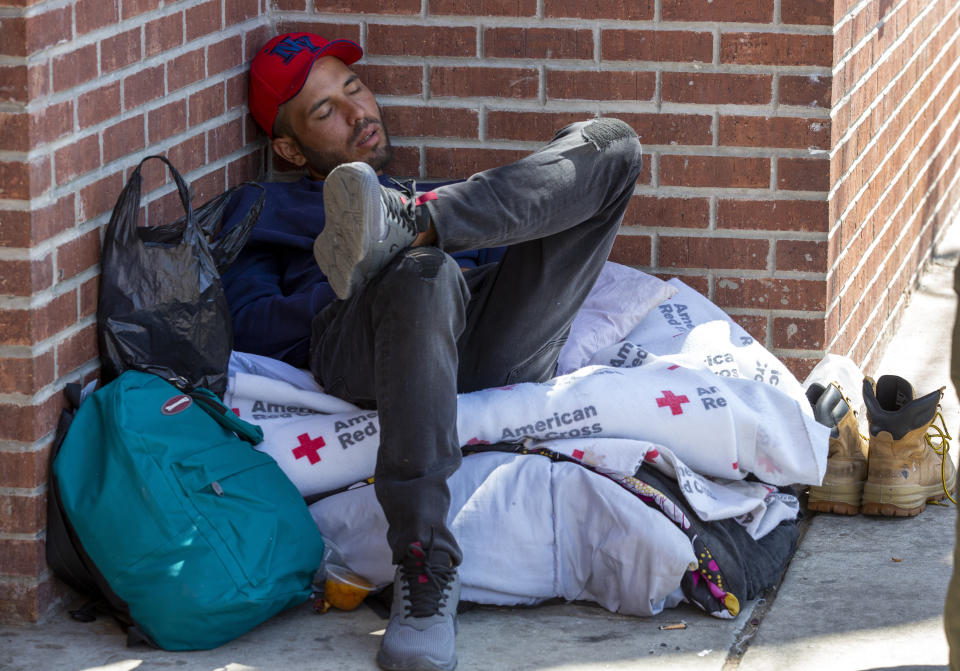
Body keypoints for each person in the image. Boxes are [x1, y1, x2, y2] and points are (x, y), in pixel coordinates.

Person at [222, 31, 643, 671]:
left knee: (613, 146)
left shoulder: (444, 189)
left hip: (488, 333)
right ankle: (424, 565)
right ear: (288, 146)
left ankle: (412, 222)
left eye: (353, 88)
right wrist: (366, 273)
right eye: (325, 110)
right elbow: (250, 323)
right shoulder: (266, 209)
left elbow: (520, 258)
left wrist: (439, 221)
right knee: (423, 274)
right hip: (367, 342)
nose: (357, 112)